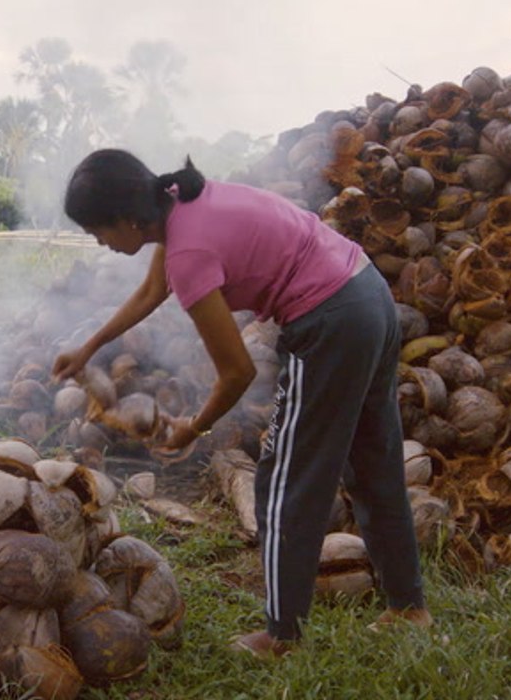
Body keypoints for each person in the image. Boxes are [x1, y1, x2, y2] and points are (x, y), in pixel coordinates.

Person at [52, 149, 430, 658]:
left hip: (330, 321)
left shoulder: (187, 252)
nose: (99, 242)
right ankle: (408, 608)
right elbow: (149, 292)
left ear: (126, 218)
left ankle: (282, 636)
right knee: (373, 459)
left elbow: (237, 373)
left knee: (283, 484)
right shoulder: (181, 203)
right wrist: (89, 347)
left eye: (98, 230)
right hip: (367, 296)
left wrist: (194, 427)